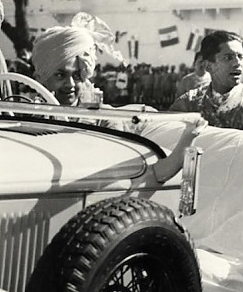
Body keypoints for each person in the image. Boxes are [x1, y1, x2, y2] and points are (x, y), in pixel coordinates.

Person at [31, 15, 205, 184]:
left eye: (77, 75)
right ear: (40, 77)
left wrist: (188, 137)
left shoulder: (103, 119)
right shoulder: (23, 115)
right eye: (60, 75)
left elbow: (151, 176)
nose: (70, 84)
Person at [170, 30, 243, 133]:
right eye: (228, 58)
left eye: (240, 57)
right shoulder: (189, 102)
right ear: (208, 66)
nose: (237, 63)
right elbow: (169, 138)